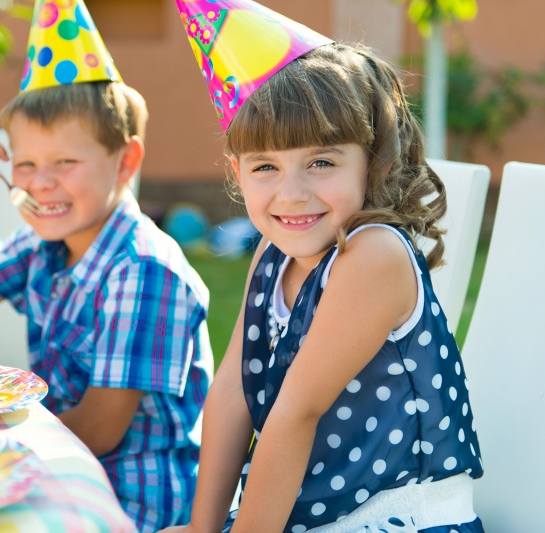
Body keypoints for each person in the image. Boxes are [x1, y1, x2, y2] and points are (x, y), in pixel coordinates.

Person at [160, 1, 484, 532]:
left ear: (372, 159)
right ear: (237, 172)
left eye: (322, 162)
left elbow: (295, 414)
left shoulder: (372, 254)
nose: (292, 194)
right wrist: (202, 527)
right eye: (266, 166)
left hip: (395, 519)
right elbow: (231, 393)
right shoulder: (271, 256)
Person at [0, 2, 213, 531]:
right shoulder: (43, 244)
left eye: (65, 163)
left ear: (126, 161)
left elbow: (99, 429)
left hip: (126, 502)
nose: (40, 183)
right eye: (26, 164)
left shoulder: (144, 269)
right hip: (57, 466)